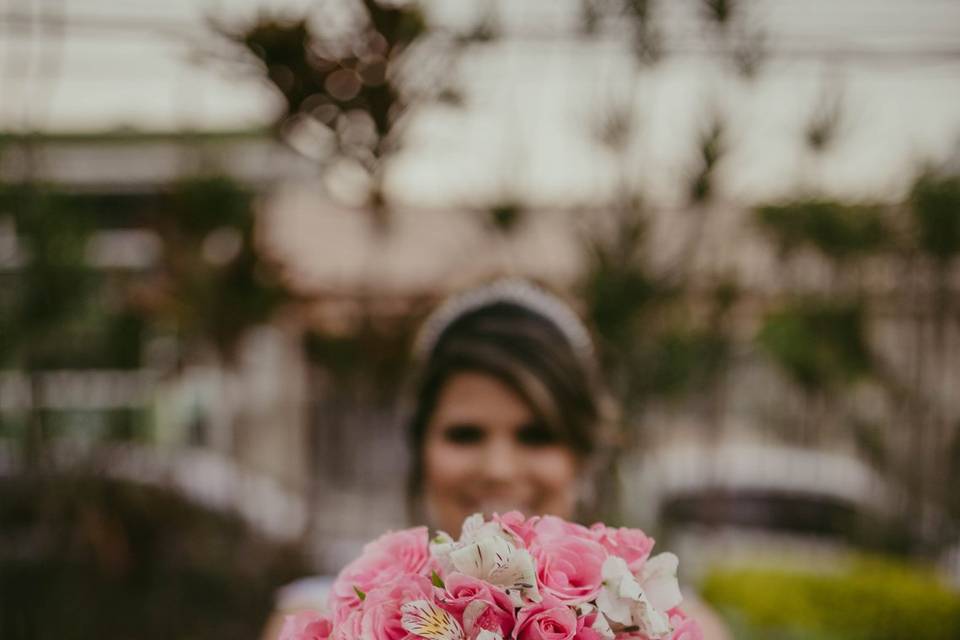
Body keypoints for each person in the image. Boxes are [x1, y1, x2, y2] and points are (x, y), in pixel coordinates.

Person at [264, 278, 728, 640]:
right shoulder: (321, 621)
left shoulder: (675, 626)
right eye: (465, 434)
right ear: (421, 444)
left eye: (536, 435)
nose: (499, 469)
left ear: (582, 452)